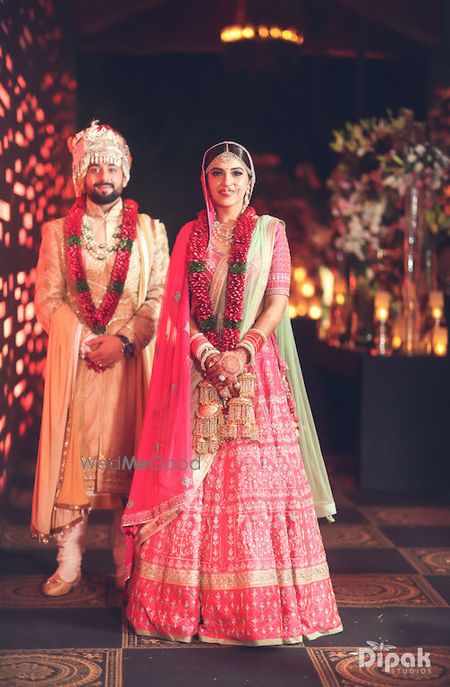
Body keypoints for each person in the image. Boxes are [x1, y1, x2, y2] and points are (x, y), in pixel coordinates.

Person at [122, 141, 343, 645]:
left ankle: (257, 610)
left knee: (255, 484)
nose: (227, 182)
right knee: (196, 484)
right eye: (218, 172)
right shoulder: (188, 236)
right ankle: (181, 605)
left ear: (250, 183)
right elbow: (178, 310)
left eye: (238, 173)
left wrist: (242, 351)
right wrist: (205, 353)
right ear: (206, 181)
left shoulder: (271, 233)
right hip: (199, 373)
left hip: (255, 372)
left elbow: (278, 298)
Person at [31, 120, 169, 596]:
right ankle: (68, 560)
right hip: (80, 364)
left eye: (112, 165)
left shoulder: (151, 232)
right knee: (78, 458)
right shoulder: (56, 233)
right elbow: (48, 300)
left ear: (126, 174)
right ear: (80, 175)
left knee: (128, 460)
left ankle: (124, 562)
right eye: (94, 166)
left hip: (132, 362)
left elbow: (157, 297)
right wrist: (85, 339)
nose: (103, 174)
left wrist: (125, 340)